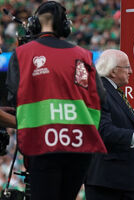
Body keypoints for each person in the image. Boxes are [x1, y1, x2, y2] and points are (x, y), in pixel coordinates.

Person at [5, 1, 107, 199]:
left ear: (35, 25)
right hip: (80, 145)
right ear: (65, 27)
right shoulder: (83, 55)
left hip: (42, 144)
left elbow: (14, 97)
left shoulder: (23, 54)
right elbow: (99, 98)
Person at [84, 49, 134, 200]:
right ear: (113, 71)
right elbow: (102, 130)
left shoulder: (113, 91)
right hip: (108, 184)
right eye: (127, 67)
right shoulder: (99, 90)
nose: (131, 71)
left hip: (120, 182)